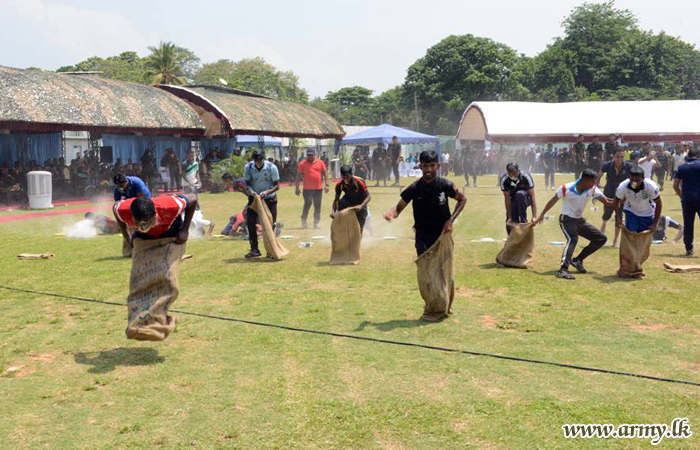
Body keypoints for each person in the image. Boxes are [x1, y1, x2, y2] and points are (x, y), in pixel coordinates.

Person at [383, 150, 467, 256]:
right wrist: (391, 213)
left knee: (444, 271)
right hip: (422, 238)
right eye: (425, 166)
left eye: (432, 165)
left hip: (443, 234)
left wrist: (451, 220)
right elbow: (397, 209)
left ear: (438, 166)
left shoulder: (446, 185)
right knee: (424, 270)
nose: (429, 169)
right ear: (420, 166)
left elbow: (462, 199)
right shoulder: (414, 188)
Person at [533, 169, 613, 280]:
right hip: (566, 220)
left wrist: (621, 200)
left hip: (579, 221)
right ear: (584, 180)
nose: (594, 185)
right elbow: (552, 201)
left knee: (601, 238)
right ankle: (562, 270)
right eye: (592, 182)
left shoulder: (592, 189)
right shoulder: (566, 188)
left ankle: (577, 260)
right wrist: (541, 215)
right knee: (573, 239)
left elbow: (607, 202)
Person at [241, 150, 281, 258]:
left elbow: (277, 186)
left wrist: (266, 192)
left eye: (260, 160)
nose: (258, 163)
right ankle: (254, 249)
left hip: (269, 199)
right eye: (256, 161)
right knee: (250, 222)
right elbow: (247, 185)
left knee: (270, 224)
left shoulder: (272, 167)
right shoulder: (249, 167)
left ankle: (270, 250)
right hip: (254, 198)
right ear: (253, 160)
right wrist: (251, 192)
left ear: (263, 159)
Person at [596, 148, 633, 247]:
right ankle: (601, 233)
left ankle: (615, 241)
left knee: (619, 217)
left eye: (621, 157)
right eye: (617, 157)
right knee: (606, 215)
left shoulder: (629, 166)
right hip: (608, 193)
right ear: (613, 156)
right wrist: (595, 190)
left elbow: (633, 180)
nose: (619, 159)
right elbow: (598, 176)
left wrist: (629, 193)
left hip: (622, 195)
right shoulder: (607, 165)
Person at [614, 165, 662, 233]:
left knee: (643, 237)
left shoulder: (651, 187)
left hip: (647, 213)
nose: (634, 182)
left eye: (637, 180)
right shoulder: (623, 186)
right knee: (631, 234)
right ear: (629, 178)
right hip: (631, 211)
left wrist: (655, 223)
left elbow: (659, 203)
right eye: (632, 180)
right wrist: (618, 217)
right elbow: (616, 200)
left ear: (643, 178)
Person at [673, 147, 700, 256]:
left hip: (687, 198)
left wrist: (682, 196)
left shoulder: (681, 167)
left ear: (688, 156)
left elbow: (675, 185)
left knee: (688, 223)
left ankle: (689, 248)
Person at [295, 148, 329, 229]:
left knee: (317, 205)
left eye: (311, 155)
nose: (310, 156)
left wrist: (327, 184)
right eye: (308, 155)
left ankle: (316, 222)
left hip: (318, 188)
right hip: (307, 189)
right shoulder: (302, 163)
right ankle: (304, 219)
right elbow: (298, 176)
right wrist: (297, 188)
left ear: (315, 155)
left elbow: (325, 173)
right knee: (308, 203)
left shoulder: (320, 162)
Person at [499, 163, 537, 233]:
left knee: (520, 194)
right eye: (510, 174)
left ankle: (523, 221)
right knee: (511, 222)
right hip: (513, 201)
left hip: (525, 199)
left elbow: (532, 196)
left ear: (519, 170)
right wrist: (509, 216)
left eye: (514, 173)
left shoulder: (526, 177)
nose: (512, 176)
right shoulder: (504, 180)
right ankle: (512, 239)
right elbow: (507, 199)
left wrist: (534, 216)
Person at [331, 165, 371, 230]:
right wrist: (333, 212)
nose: (346, 179)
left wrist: (361, 206)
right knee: (340, 203)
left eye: (348, 176)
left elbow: (368, 197)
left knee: (359, 226)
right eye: (344, 177)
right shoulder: (339, 184)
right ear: (341, 176)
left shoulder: (359, 182)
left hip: (360, 202)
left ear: (351, 175)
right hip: (348, 201)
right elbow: (336, 200)